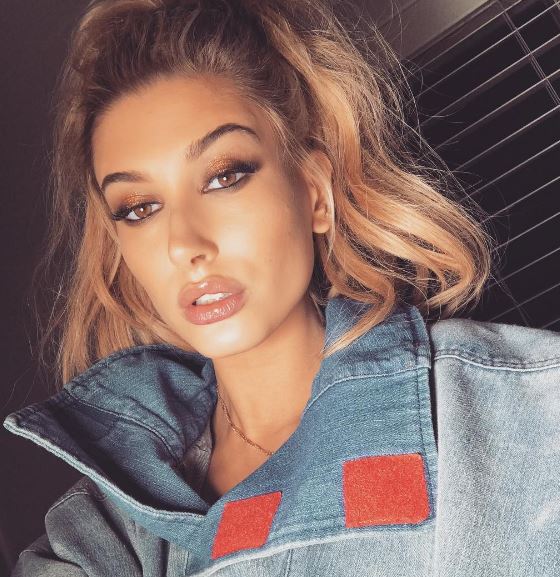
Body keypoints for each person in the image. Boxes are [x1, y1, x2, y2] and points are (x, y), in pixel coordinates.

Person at [4, 0, 560, 575]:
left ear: (314, 191)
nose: (183, 244)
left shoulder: (504, 405)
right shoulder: (104, 522)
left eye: (225, 176)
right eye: (139, 208)